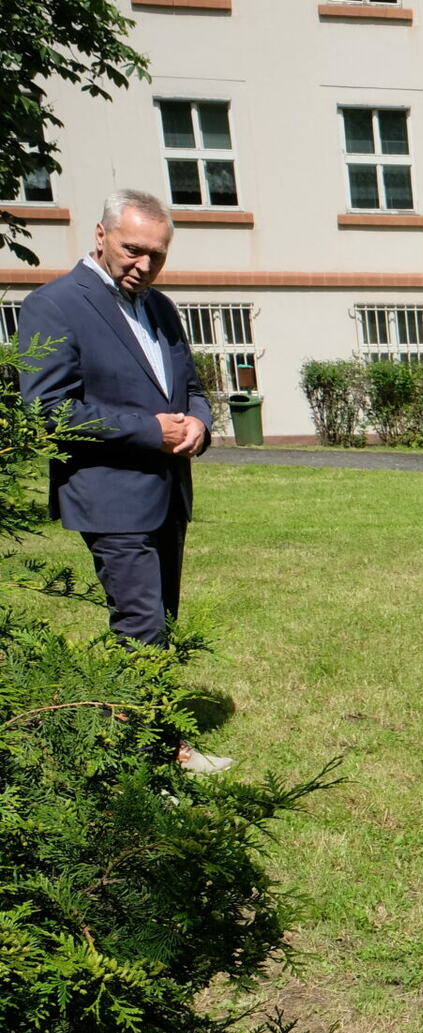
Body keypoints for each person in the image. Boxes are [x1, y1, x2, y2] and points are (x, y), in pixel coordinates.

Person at [19, 189, 229, 774]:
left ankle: (153, 746)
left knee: (159, 621)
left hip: (167, 493)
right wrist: (149, 431)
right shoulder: (54, 305)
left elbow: (190, 389)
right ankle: (152, 762)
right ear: (101, 235)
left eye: (156, 255)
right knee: (141, 629)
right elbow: (46, 409)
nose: (144, 265)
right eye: (133, 250)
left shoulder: (161, 307)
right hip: (109, 495)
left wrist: (200, 427)